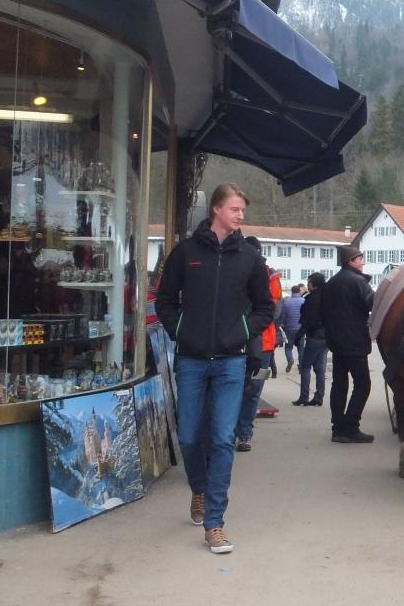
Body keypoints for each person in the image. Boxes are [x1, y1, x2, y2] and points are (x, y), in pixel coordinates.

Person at [155, 183, 273, 555]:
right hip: (190, 360)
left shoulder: (249, 258)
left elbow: (265, 308)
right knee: (190, 436)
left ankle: (215, 523)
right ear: (217, 210)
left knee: (223, 439)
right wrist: (180, 330)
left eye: (242, 210)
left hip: (231, 361)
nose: (241, 215)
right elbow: (164, 299)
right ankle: (199, 489)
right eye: (235, 209)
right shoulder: (186, 253)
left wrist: (241, 332)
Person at [319, 246, 375, 443]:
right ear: (350, 261)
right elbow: (372, 304)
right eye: (360, 259)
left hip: (335, 341)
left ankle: (337, 428)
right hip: (355, 341)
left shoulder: (331, 283)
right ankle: (351, 426)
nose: (363, 262)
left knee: (339, 384)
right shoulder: (358, 281)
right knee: (363, 384)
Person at [235, 236, 282, 453]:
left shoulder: (271, 277)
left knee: (254, 388)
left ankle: (244, 432)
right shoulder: (235, 272)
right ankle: (240, 432)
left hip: (261, 345)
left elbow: (275, 311)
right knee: (245, 389)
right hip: (250, 345)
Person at [292, 272, 328, 406]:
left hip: (314, 337)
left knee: (305, 366)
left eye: (309, 283)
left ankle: (304, 396)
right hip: (326, 337)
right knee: (320, 368)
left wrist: (299, 336)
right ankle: (319, 397)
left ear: (313, 285)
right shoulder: (329, 297)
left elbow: (308, 321)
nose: (307, 285)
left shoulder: (311, 299)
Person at [279, 284, 305, 372]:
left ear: (292, 291)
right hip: (301, 328)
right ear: (299, 291)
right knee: (301, 348)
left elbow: (283, 315)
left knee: (288, 348)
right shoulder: (304, 301)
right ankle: (301, 367)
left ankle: (290, 360)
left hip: (289, 328)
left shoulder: (287, 302)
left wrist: (282, 324)